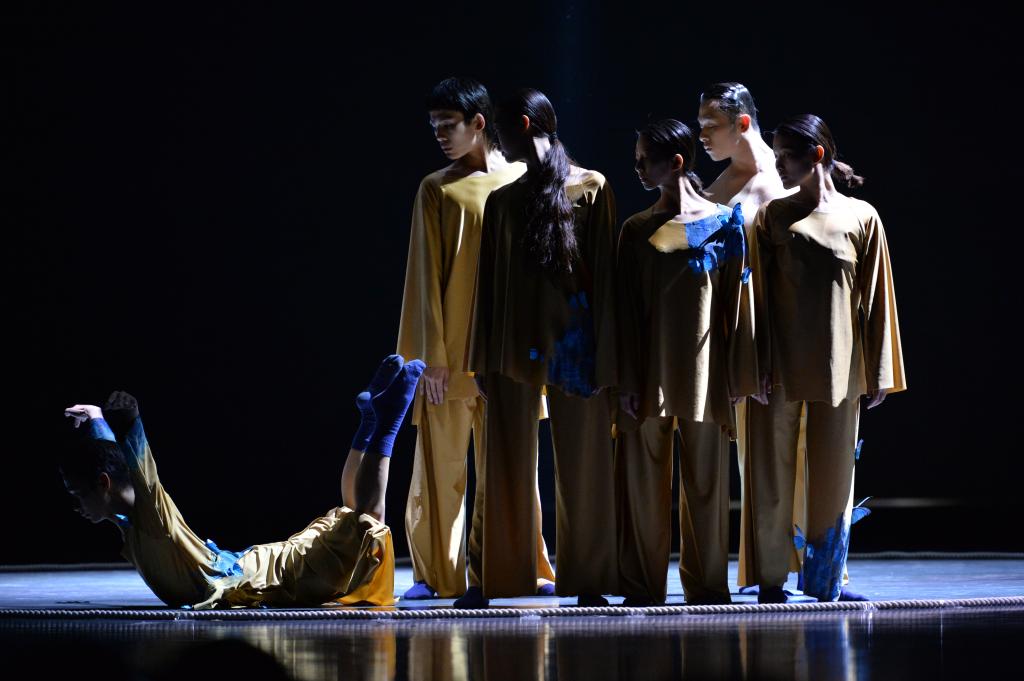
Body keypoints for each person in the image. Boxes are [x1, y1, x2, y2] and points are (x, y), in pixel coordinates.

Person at [59, 355, 424, 608]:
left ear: (104, 485)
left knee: (368, 525)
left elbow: (142, 475)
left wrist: (129, 421)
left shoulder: (150, 517)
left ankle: (386, 421)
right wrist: (97, 421)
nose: (76, 507)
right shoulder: (127, 518)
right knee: (351, 518)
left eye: (78, 495)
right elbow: (115, 466)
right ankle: (371, 422)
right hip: (259, 569)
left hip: (275, 579)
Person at [397, 77, 555, 601]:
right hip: (452, 353)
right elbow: (424, 277)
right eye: (434, 127)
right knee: (440, 468)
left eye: (449, 125)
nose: (440, 135)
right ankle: (436, 574)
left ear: (479, 123)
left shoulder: (522, 178)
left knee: (513, 467)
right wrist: (431, 357)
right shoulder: (436, 188)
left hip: (507, 353)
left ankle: (521, 565)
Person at [465, 88, 618, 608]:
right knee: (504, 461)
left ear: (525, 125)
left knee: (585, 463)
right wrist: (481, 357)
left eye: (501, 129)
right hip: (513, 346)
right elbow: (488, 287)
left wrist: (609, 355)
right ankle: (500, 576)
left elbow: (606, 278)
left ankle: (589, 578)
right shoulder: (503, 200)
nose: (497, 140)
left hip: (577, 347)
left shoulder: (590, 187)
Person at [745, 114, 906, 602]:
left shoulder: (861, 216)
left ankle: (825, 581)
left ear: (817, 154)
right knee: (771, 474)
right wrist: (755, 362)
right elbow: (756, 297)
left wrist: (880, 369)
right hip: (780, 367)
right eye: (775, 156)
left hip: (841, 367)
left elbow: (877, 297)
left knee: (834, 477)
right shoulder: (773, 216)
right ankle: (771, 580)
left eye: (786, 156)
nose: (778, 165)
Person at [615, 119, 758, 605]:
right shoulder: (637, 230)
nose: (637, 168)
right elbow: (625, 312)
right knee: (643, 487)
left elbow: (737, 305)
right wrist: (626, 379)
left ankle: (708, 586)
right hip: (649, 373)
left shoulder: (724, 223)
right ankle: (642, 586)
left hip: (706, 375)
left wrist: (738, 373)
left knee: (706, 488)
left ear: (675, 162)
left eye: (645, 160)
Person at [697, 82, 806, 593]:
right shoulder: (717, 190)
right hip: (747, 336)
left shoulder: (789, 178)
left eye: (710, 126)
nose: (702, 136)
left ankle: (824, 567)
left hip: (799, 330)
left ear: (742, 123)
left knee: (814, 452)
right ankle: (768, 570)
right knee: (758, 456)